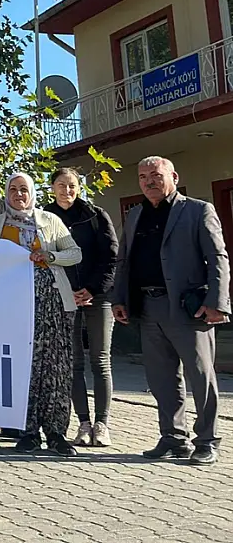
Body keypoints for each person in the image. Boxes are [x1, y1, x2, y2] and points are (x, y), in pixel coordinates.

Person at [113, 156, 230, 466]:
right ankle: (173, 437)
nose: (149, 181)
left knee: (200, 376)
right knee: (162, 378)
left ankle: (206, 440)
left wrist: (217, 303)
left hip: (188, 308)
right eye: (142, 177)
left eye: (155, 174)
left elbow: (218, 258)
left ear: (173, 176)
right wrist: (119, 299)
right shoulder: (136, 215)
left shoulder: (198, 210)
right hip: (147, 307)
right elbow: (124, 261)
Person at [0, 173, 82, 457]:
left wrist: (51, 257)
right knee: (24, 367)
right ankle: (27, 431)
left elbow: (75, 253)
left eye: (24, 189)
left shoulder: (50, 221)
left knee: (56, 368)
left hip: (53, 304)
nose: (19, 194)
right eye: (13, 189)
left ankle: (57, 432)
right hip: (14, 307)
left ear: (33, 192)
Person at [44, 168, 119, 448]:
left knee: (100, 360)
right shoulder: (44, 218)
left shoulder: (95, 215)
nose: (67, 190)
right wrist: (70, 291)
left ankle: (102, 424)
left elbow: (111, 256)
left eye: (72, 185)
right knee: (73, 364)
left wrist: (92, 289)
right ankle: (83, 423)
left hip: (97, 296)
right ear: (52, 188)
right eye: (61, 185)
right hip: (64, 296)